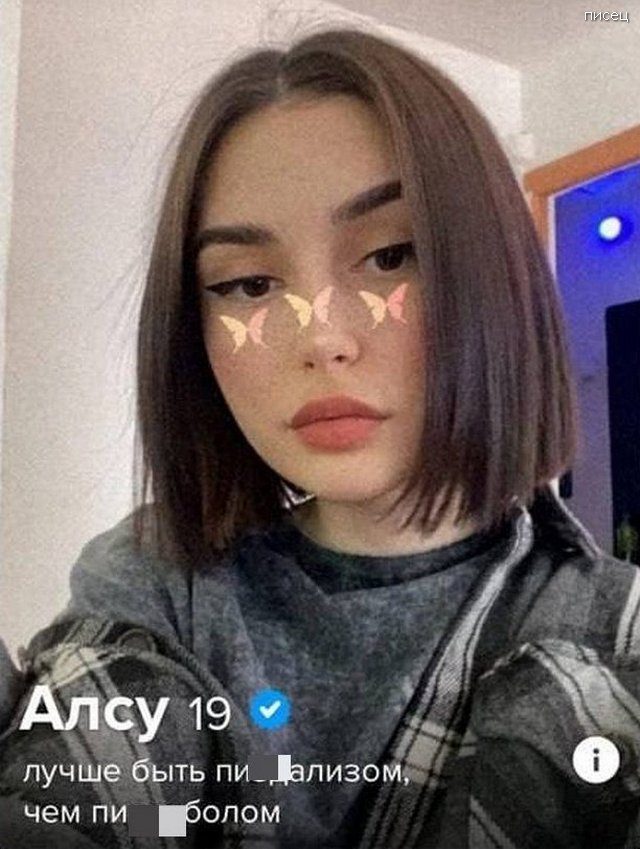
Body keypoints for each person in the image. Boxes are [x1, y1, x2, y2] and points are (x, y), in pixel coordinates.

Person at [1, 25, 639, 849]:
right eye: (247, 284)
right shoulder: (155, 591)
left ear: (498, 275)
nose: (320, 337)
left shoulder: (616, 637)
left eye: (391, 255)